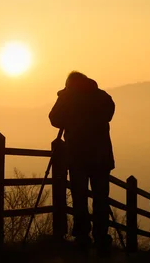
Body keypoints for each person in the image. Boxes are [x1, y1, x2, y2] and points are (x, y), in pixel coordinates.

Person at [49, 71, 115, 256]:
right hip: (101, 157)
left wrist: (64, 96)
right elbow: (108, 115)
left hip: (77, 157)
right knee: (101, 199)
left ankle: (82, 238)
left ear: (71, 84)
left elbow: (54, 118)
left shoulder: (69, 98)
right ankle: (101, 238)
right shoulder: (103, 97)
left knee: (80, 198)